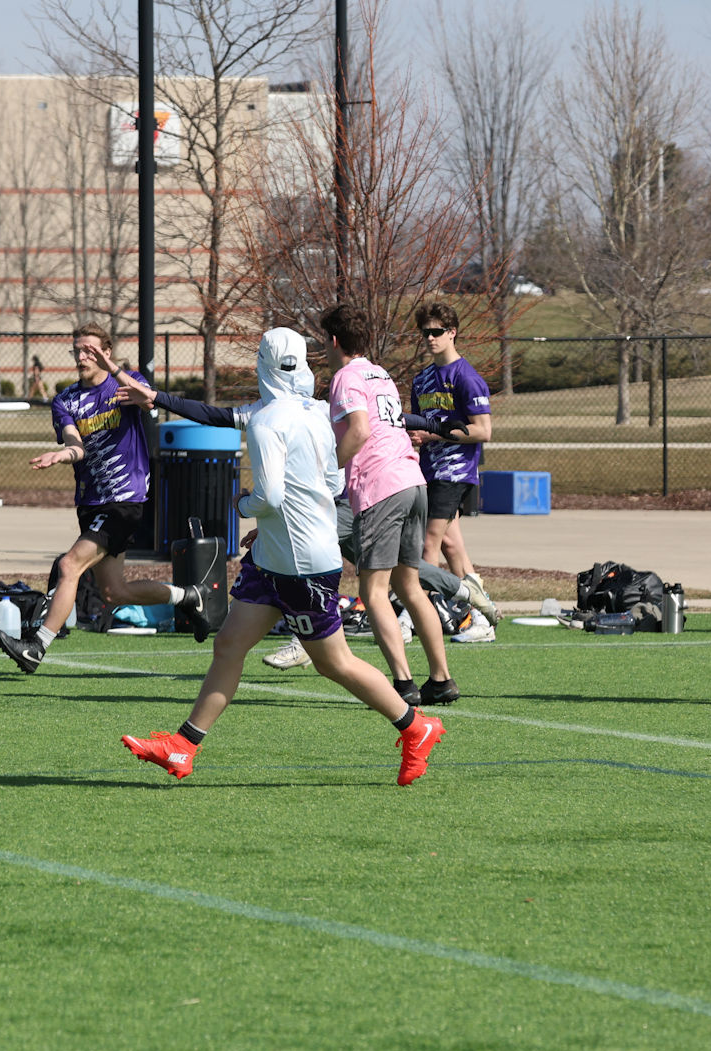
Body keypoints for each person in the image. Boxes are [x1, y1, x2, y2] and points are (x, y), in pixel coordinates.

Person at [120, 328, 445, 785]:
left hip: (300, 566)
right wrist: (279, 524)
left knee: (334, 663)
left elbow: (270, 495)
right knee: (229, 645)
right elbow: (332, 482)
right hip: (277, 556)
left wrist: (242, 507)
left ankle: (416, 727)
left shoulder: (265, 419)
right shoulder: (318, 412)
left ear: (263, 364)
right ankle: (183, 746)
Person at [103, 343, 482, 670]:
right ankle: (460, 595)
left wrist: (439, 427)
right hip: (323, 510)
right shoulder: (282, 411)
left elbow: (380, 421)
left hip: (335, 507)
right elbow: (212, 414)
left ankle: (336, 649)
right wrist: (157, 398)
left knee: (363, 586)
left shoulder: (307, 410)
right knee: (389, 574)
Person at [0, 323, 208, 672]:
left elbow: (148, 399)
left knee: (69, 565)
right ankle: (188, 596)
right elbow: (75, 444)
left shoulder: (126, 383)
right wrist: (61, 455)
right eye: (77, 350)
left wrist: (115, 371)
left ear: (106, 353)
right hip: (91, 502)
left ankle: (37, 646)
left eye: (90, 350)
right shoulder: (65, 400)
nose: (81, 357)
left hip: (125, 499)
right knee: (114, 592)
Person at [323, 304, 460, 707]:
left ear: (334, 340)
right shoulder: (379, 372)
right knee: (409, 585)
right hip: (412, 480)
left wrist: (325, 468)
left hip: (381, 486)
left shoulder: (345, 376)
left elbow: (360, 430)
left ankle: (403, 683)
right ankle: (441, 679)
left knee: (374, 591)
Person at [407, 302, 498, 626]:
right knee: (451, 545)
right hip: (428, 470)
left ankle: (414, 617)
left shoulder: (467, 377)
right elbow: (419, 424)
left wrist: (432, 436)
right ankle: (483, 615)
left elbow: (483, 430)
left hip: (455, 472)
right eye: (425, 333)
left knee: (428, 542)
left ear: (452, 333)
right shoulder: (421, 380)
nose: (430, 338)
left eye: (437, 332)